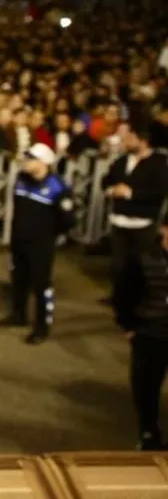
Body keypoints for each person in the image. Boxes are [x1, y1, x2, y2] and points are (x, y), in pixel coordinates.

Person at [0, 143, 75, 344]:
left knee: (41, 284)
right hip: (19, 240)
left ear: (43, 163)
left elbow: (68, 220)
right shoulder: (21, 179)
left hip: (41, 244)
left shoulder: (57, 187)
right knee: (19, 279)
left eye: (31, 159)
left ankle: (42, 325)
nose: (26, 162)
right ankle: (18, 314)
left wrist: (48, 234)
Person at [114, 218, 168, 450]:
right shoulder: (143, 260)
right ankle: (148, 434)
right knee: (146, 388)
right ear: (164, 230)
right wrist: (129, 327)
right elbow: (123, 295)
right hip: (150, 334)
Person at [101, 119, 168, 301]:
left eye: (130, 137)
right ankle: (119, 298)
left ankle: (139, 301)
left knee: (140, 266)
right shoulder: (122, 160)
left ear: (143, 140)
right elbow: (106, 180)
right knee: (118, 264)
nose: (125, 141)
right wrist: (112, 190)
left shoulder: (159, 163)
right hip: (119, 220)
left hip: (143, 223)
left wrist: (130, 193)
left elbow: (159, 192)